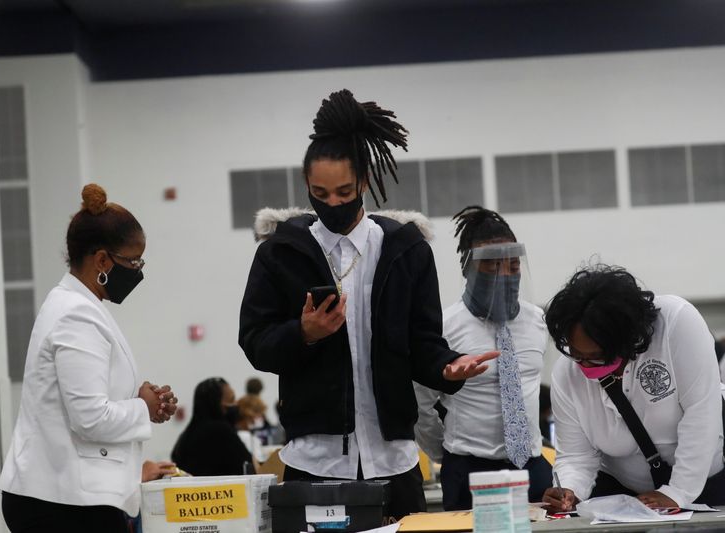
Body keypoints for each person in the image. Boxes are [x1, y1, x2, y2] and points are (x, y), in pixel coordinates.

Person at [238, 89, 498, 519]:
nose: (334, 203)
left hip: (394, 461)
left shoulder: (406, 249)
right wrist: (303, 334)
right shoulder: (280, 252)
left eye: (345, 191)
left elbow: (423, 342)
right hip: (314, 463)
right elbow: (254, 341)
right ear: (306, 185)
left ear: (364, 181)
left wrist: (447, 369)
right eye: (320, 193)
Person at [0, 184, 178, 533]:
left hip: (67, 496)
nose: (139, 270)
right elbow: (90, 417)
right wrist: (142, 406)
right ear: (101, 260)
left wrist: (147, 402)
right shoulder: (75, 314)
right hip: (60, 502)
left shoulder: (79, 306)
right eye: (134, 260)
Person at [542, 265, 725, 512]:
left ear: (627, 338)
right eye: (577, 355)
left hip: (708, 479)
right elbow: (576, 456)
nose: (585, 366)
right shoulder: (567, 374)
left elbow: (701, 413)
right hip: (627, 494)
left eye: (596, 357)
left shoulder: (677, 323)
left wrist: (677, 492)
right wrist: (569, 490)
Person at [414, 206, 551, 510]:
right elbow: (421, 405)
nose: (505, 275)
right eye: (492, 266)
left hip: (531, 465)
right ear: (469, 269)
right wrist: (448, 453)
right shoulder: (443, 327)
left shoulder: (536, 321)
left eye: (513, 266)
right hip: (470, 469)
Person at [171, 377, 255, 476]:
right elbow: (248, 467)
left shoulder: (186, 436)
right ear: (216, 403)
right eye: (231, 400)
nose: (236, 405)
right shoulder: (222, 431)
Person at [236, 394, 270, 462]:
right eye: (260, 414)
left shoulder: (246, 435)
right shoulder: (245, 436)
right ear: (249, 414)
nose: (262, 418)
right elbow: (258, 461)